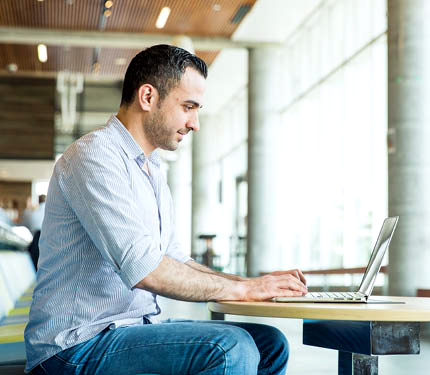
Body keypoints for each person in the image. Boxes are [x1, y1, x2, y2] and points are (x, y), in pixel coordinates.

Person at [25, 44, 307, 375]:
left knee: (269, 343)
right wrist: (246, 289)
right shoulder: (94, 157)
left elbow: (175, 261)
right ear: (148, 97)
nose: (195, 123)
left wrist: (250, 282)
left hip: (130, 329)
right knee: (230, 348)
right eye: (188, 107)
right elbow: (146, 268)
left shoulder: (152, 169)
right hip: (73, 346)